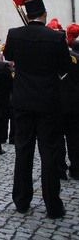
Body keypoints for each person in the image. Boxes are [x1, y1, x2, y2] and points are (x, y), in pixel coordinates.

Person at [4, 0, 72, 219]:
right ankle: (53, 204)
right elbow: (64, 67)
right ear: (44, 14)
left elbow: (9, 56)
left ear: (27, 14)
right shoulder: (56, 37)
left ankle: (22, 200)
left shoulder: (14, 34)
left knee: (23, 151)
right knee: (49, 153)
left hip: (23, 101)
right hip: (48, 102)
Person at [58, 35, 79, 180]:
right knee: (74, 139)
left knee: (57, 140)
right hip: (74, 103)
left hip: (56, 104)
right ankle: (76, 169)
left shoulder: (50, 59)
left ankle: (60, 169)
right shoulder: (76, 57)